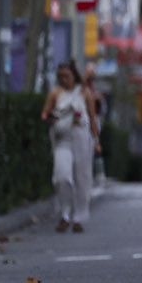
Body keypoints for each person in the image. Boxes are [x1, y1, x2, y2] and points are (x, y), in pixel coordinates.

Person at [40, 61, 99, 233]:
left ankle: (79, 216)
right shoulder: (55, 93)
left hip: (81, 137)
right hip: (62, 139)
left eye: (67, 76)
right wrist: (50, 117)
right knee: (62, 176)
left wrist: (96, 141)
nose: (64, 80)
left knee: (82, 178)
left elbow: (92, 118)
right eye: (60, 77)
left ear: (74, 76)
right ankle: (64, 214)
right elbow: (45, 113)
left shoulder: (84, 93)